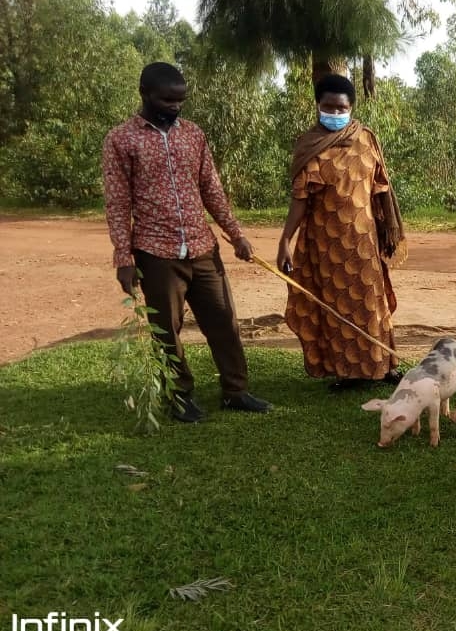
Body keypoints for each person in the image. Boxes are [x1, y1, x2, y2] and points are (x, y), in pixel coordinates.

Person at [102, 62, 272, 423]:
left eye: (180, 101)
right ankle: (179, 397)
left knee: (224, 320)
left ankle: (236, 391)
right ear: (144, 94)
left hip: (202, 246)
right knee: (167, 330)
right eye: (167, 100)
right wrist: (124, 258)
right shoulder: (121, 140)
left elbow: (212, 188)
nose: (175, 106)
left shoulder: (193, 134)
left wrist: (237, 234)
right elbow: (118, 203)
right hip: (156, 252)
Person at [277, 74, 405, 392]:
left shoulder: (366, 139)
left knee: (372, 303)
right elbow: (300, 199)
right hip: (326, 244)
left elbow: (380, 187)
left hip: (365, 241)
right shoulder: (309, 145)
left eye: (341, 108)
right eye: (328, 107)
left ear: (352, 108)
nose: (334, 113)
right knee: (338, 307)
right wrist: (285, 240)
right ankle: (348, 373)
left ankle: (384, 366)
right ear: (318, 105)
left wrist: (387, 229)